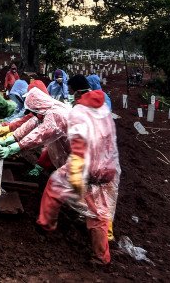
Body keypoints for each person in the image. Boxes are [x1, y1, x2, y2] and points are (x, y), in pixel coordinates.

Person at [36, 74, 120, 265]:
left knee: (54, 185)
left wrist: (75, 175)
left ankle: (45, 225)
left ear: (74, 91)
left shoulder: (79, 111)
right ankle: (102, 256)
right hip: (108, 166)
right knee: (97, 211)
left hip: (88, 164)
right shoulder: (102, 106)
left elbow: (80, 146)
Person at [0, 88, 71, 177]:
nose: (32, 114)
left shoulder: (56, 114)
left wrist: (13, 148)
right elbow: (28, 126)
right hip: (65, 150)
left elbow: (40, 134)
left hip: (75, 151)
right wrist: (8, 140)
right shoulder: (43, 111)